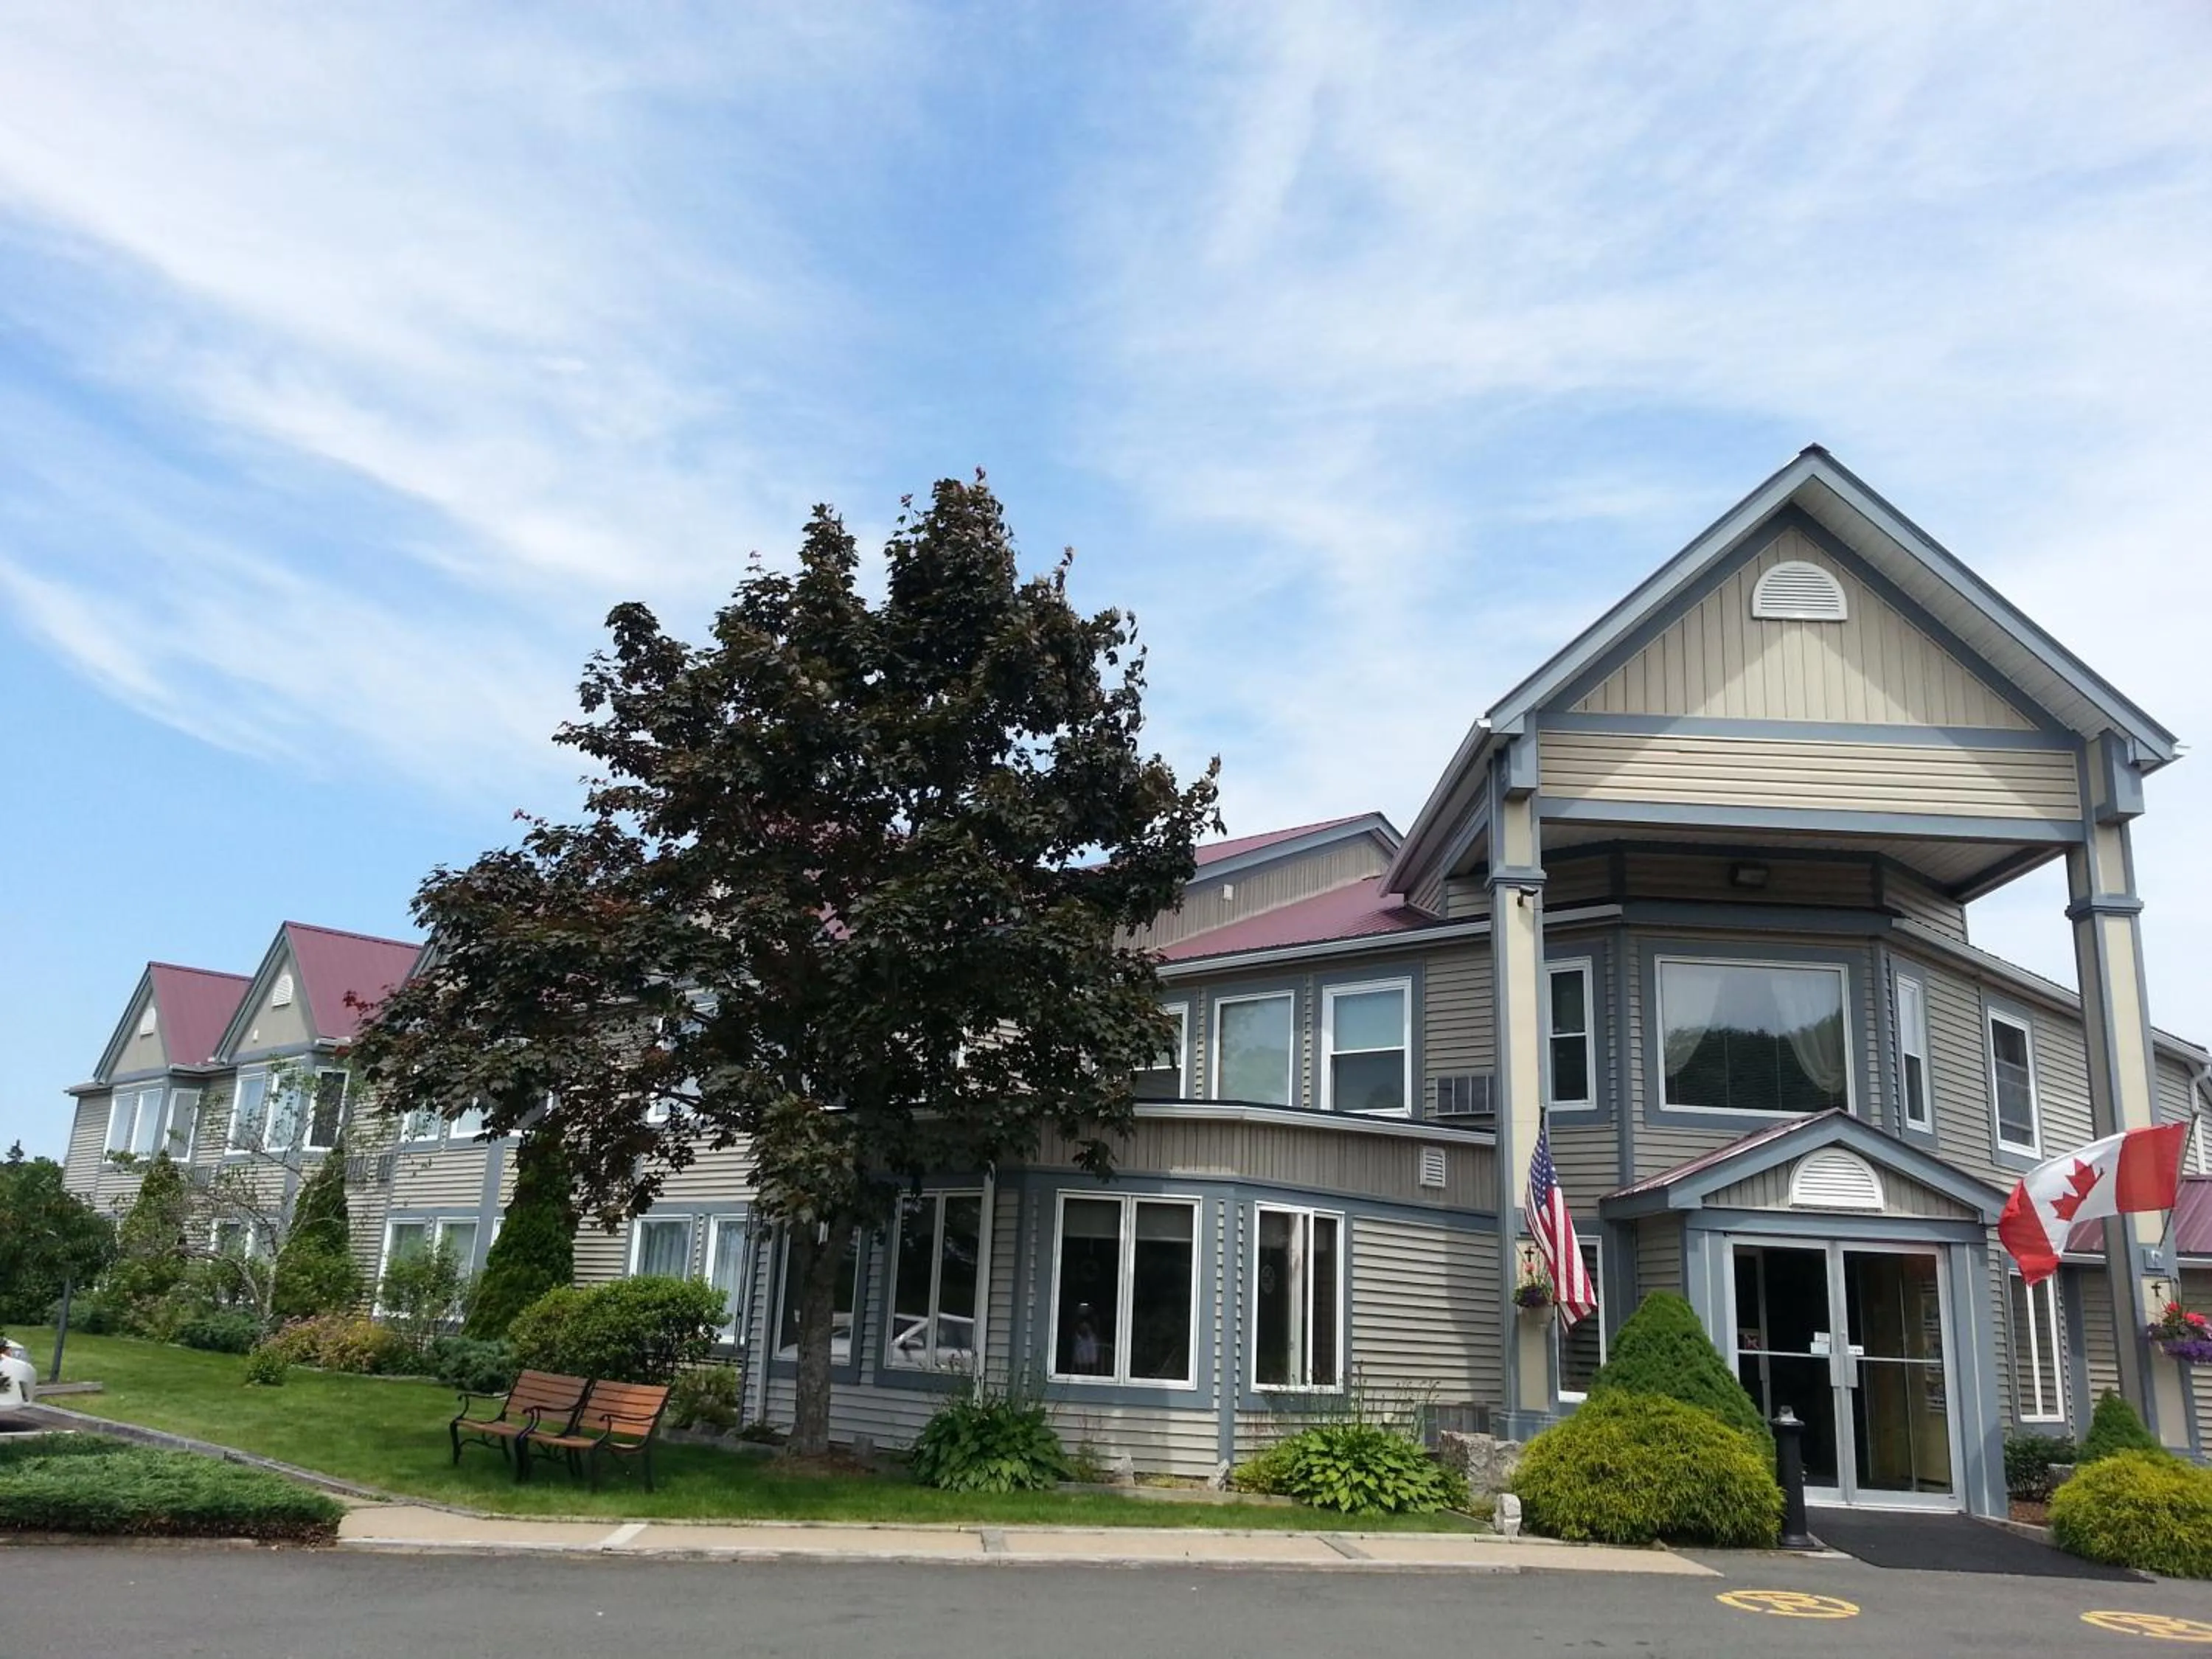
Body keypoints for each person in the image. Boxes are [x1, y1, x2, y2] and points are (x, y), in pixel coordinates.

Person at [1070, 1304, 1102, 1372]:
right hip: (1080, 1343)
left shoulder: (1093, 1339)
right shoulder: (1077, 1340)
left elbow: (1093, 1362)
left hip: (1090, 1343)